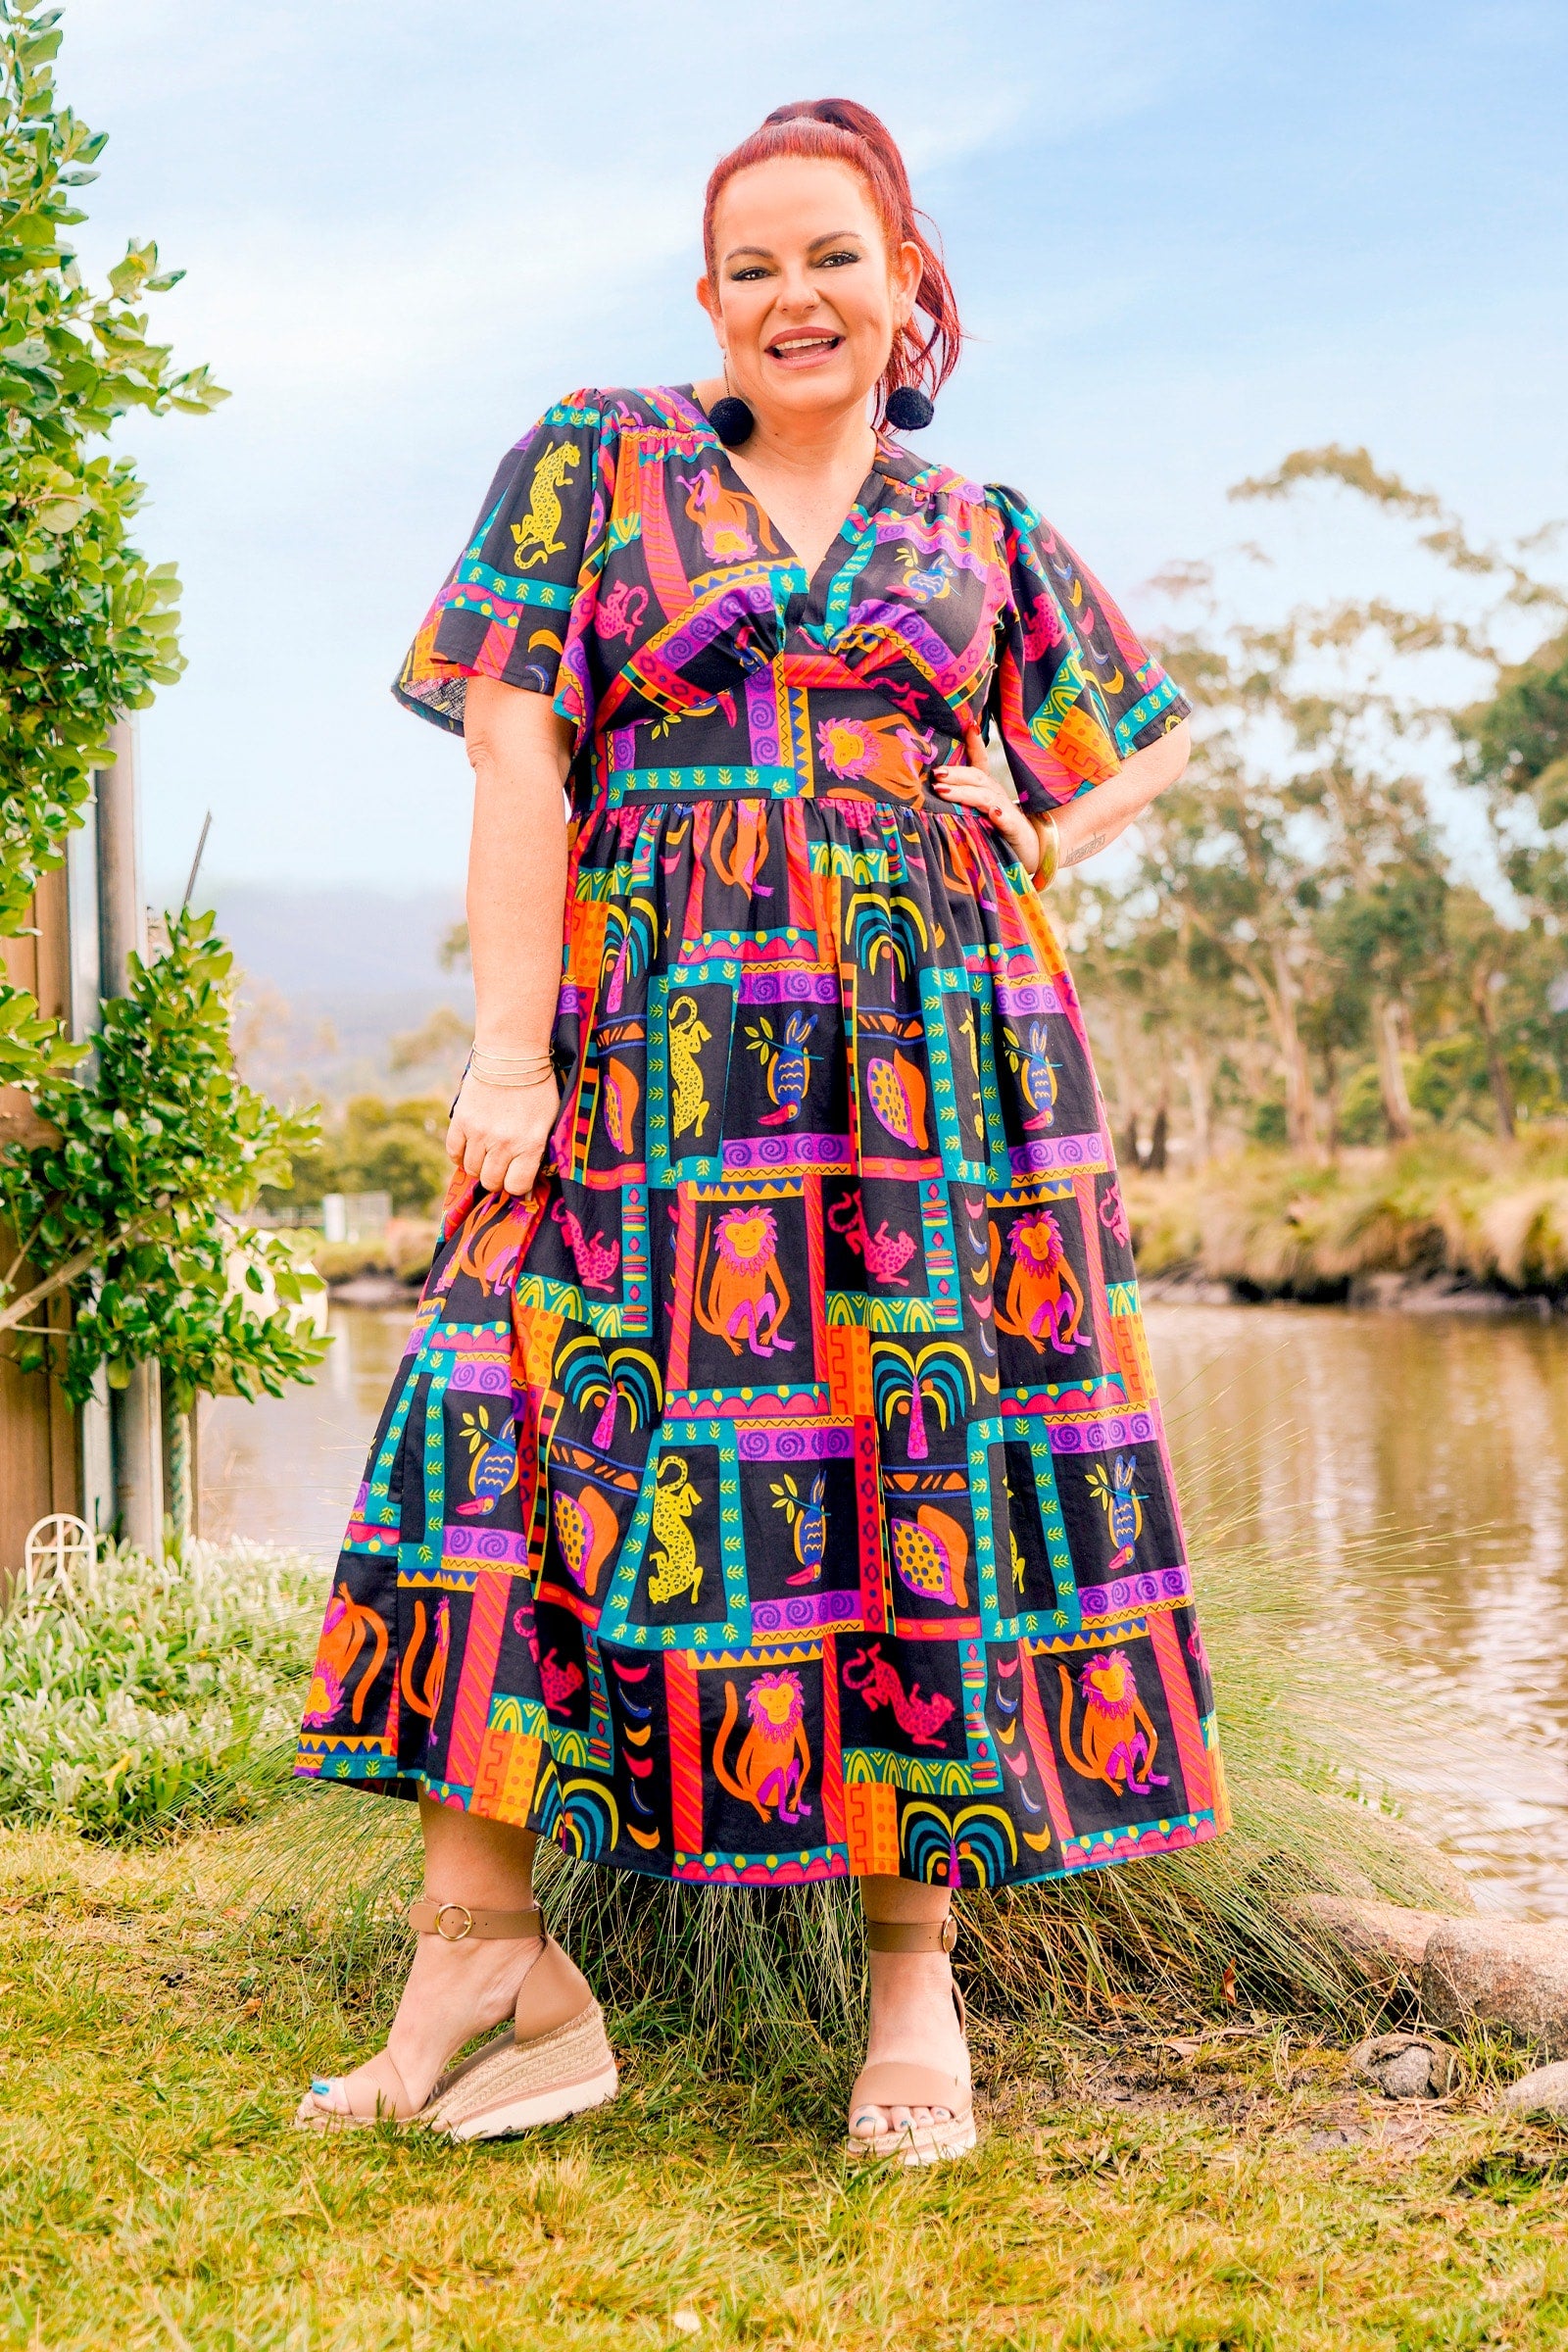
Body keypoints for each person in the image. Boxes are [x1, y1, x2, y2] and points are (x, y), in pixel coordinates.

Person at [293, 97, 1226, 2165]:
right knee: (489, 1404)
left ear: (907, 287)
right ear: (708, 300)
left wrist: (1034, 818)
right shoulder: (598, 455)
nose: (794, 296)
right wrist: (508, 1056)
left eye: (833, 258)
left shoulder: (978, 524)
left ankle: (911, 1984)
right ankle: (483, 1960)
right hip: (647, 1028)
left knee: (909, 1457)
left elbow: (1149, 739)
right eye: (752, 265)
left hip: (929, 1054)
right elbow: (518, 756)